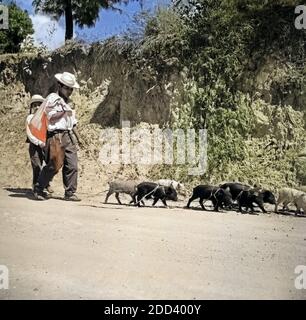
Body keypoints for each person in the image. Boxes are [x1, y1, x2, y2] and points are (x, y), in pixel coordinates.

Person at [33, 72, 82, 201]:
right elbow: (51, 116)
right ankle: (39, 188)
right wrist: (64, 111)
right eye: (67, 88)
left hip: (68, 135)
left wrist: (79, 138)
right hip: (55, 135)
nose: (70, 91)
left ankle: (70, 192)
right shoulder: (52, 98)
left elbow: (73, 122)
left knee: (72, 165)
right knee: (54, 164)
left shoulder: (69, 102)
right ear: (60, 86)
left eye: (71, 89)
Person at [26, 94, 53, 194]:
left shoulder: (45, 117)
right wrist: (38, 142)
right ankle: (36, 185)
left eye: (39, 105)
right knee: (37, 165)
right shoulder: (30, 118)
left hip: (45, 145)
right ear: (32, 107)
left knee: (49, 165)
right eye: (35, 105)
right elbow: (30, 134)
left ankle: (46, 184)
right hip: (35, 145)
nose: (37, 107)